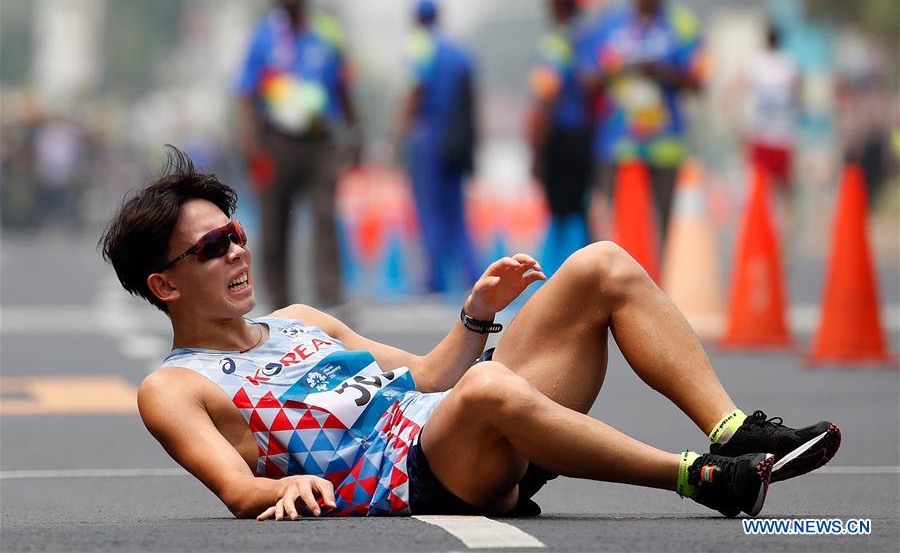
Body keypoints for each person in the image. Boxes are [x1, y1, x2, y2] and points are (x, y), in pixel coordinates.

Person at [99, 146, 841, 520]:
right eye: (211, 247)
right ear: (165, 285)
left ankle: (733, 430)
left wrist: (477, 313)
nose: (236, 252)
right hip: (422, 475)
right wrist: (277, 485)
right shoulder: (174, 387)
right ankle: (702, 479)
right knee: (488, 386)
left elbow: (427, 377)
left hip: (462, 422)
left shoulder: (300, 322)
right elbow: (236, 490)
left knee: (601, 264)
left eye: (234, 234)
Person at [236, 0, 359, 309]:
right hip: (277, 142)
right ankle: (279, 299)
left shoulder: (326, 32)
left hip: (320, 141)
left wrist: (355, 130)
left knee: (325, 215)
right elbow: (246, 91)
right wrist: (250, 140)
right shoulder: (263, 36)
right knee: (274, 220)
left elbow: (343, 85)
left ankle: (329, 293)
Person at [580, 0, 704, 247]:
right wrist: (618, 69)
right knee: (613, 228)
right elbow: (588, 79)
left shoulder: (681, 25)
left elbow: (698, 81)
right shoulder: (610, 25)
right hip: (618, 145)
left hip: (665, 145)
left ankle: (659, 273)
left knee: (664, 227)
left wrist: (661, 71)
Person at [392, 0, 480, 294]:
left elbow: (414, 93)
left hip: (428, 139)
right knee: (456, 212)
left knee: (429, 211)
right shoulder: (459, 52)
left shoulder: (420, 48)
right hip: (456, 141)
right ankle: (471, 273)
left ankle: (434, 277)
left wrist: (397, 137)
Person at [527, 0, 593, 277]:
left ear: (557, 7)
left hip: (560, 139)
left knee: (560, 213)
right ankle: (585, 276)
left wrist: (536, 151)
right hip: (586, 137)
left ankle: (555, 280)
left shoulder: (555, 45)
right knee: (580, 210)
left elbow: (545, 99)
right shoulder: (591, 40)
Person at [741, 24, 800, 195]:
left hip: (764, 134)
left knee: (760, 187)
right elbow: (798, 95)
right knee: (782, 188)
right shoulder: (788, 63)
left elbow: (740, 89)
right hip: (781, 135)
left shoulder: (756, 62)